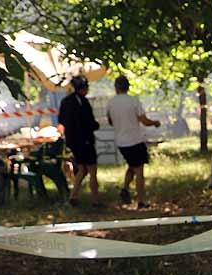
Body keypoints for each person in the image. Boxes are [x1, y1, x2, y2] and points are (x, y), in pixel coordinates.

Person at [106, 75, 162, 209]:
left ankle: (125, 189)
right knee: (139, 171)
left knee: (132, 165)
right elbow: (143, 120)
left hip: (121, 141)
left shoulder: (111, 103)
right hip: (135, 140)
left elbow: (110, 121)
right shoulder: (133, 101)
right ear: (128, 87)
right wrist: (155, 122)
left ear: (116, 88)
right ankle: (141, 201)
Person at [57, 75, 99, 205]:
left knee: (82, 169)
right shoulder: (83, 102)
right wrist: (95, 126)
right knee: (92, 170)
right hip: (85, 140)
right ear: (83, 88)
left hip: (73, 141)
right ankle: (95, 200)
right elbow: (89, 122)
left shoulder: (65, 101)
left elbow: (61, 121)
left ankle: (73, 196)